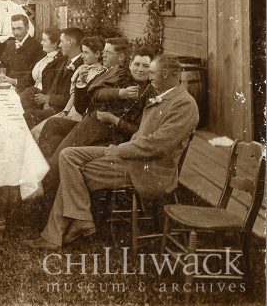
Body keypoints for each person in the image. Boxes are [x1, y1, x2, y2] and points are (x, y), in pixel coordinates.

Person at [25, 54, 199, 251]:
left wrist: (120, 149)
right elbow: (142, 135)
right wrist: (121, 149)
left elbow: (157, 145)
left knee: (74, 171)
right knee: (68, 154)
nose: (149, 77)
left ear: (166, 74)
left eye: (152, 72)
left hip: (148, 169)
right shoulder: (161, 95)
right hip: (131, 156)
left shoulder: (183, 104)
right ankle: (82, 218)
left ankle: (53, 236)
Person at [41, 47, 157, 196]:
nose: (140, 69)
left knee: (72, 140)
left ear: (152, 69)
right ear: (129, 65)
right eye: (136, 64)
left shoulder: (150, 94)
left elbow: (140, 132)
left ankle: (47, 183)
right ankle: (47, 173)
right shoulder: (121, 78)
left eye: (145, 66)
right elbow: (96, 94)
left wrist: (114, 120)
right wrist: (118, 93)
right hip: (97, 125)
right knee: (54, 125)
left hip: (115, 137)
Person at [37, 37, 132, 158]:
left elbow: (103, 100)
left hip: (99, 128)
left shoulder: (122, 77)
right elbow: (81, 106)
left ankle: (48, 172)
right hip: (87, 121)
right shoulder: (105, 73)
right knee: (53, 125)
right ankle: (44, 166)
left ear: (121, 57)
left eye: (107, 53)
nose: (103, 56)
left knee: (58, 138)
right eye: (104, 52)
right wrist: (81, 82)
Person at [30, 36, 105, 142]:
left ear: (97, 54)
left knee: (46, 129)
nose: (82, 56)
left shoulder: (101, 73)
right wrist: (65, 111)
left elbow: (86, 101)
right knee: (37, 131)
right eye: (82, 52)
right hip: (70, 109)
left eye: (86, 53)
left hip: (82, 115)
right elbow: (73, 94)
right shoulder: (82, 68)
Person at [21, 27, 84, 128]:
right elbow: (53, 87)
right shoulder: (65, 62)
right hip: (52, 107)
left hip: (64, 112)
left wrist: (49, 99)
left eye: (62, 41)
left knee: (26, 117)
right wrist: (47, 101)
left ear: (70, 42)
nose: (59, 45)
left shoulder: (81, 66)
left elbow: (73, 97)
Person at [0, 14, 43, 92]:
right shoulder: (10, 45)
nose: (16, 32)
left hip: (25, 91)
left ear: (27, 28)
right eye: (13, 29)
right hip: (7, 88)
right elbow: (2, 64)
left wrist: (13, 81)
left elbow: (35, 76)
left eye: (19, 29)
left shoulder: (37, 47)